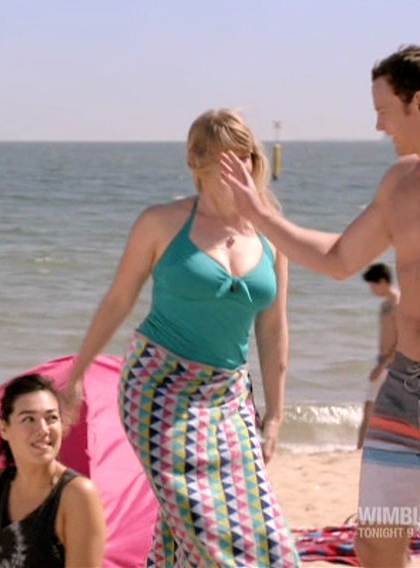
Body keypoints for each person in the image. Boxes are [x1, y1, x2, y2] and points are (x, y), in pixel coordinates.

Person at [220, 44, 420, 568]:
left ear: (419, 103)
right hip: (403, 387)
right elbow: (338, 258)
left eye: (383, 110)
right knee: (375, 543)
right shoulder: (399, 182)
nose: (378, 125)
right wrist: (259, 215)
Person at [64, 109, 300, 566]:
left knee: (269, 542)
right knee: (208, 538)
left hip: (230, 399)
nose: (237, 171)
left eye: (245, 158)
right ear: (195, 162)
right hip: (159, 390)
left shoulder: (270, 234)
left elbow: (273, 330)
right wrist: (76, 375)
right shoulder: (161, 223)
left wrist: (274, 415)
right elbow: (118, 300)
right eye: (223, 160)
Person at [0, 373, 107, 567]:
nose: (43, 429)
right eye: (29, 419)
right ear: (4, 429)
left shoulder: (77, 495)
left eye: (51, 418)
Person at [357, 263, 399, 449]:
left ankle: (362, 447)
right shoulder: (385, 304)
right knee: (371, 407)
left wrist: (381, 366)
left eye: (373, 285)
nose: (371, 290)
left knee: (372, 407)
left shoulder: (398, 304)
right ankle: (361, 447)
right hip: (383, 361)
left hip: (392, 364)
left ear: (383, 281)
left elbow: (401, 340)